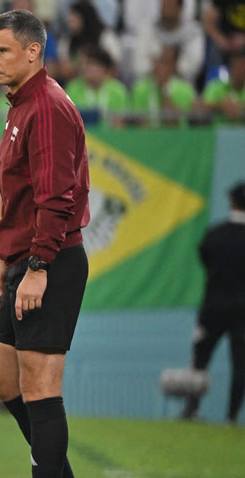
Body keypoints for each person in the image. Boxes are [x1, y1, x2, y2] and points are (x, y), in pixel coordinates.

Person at [0, 10, 90, 478]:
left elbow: (56, 198)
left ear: (33, 52)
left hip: (50, 261)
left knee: (42, 388)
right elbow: (23, 198)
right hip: (22, 259)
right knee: (3, 380)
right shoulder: (22, 103)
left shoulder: (47, 107)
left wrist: (38, 267)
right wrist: (5, 259)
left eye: (1, 50)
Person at [180, 182, 245, 424]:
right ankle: (231, 416)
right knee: (240, 364)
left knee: (200, 358)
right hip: (242, 310)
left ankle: (191, 409)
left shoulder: (215, 235)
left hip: (213, 307)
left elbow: (205, 259)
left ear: (231, 202)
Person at [201, 49, 245, 123]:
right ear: (230, 68)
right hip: (217, 129)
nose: (240, 71)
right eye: (236, 67)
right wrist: (219, 106)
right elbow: (202, 107)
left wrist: (240, 108)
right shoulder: (215, 87)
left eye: (243, 67)